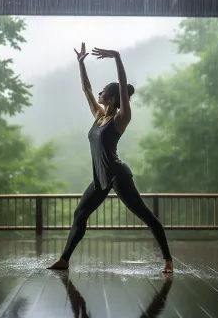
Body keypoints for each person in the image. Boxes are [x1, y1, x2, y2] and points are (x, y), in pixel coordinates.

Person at [47, 43, 173, 273]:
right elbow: (86, 89)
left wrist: (116, 57)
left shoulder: (120, 119)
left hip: (117, 175)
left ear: (113, 99)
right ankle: (64, 259)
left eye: (103, 92)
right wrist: (81, 63)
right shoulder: (98, 116)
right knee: (80, 214)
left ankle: (167, 260)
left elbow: (124, 89)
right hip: (100, 177)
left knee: (144, 215)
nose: (99, 94)